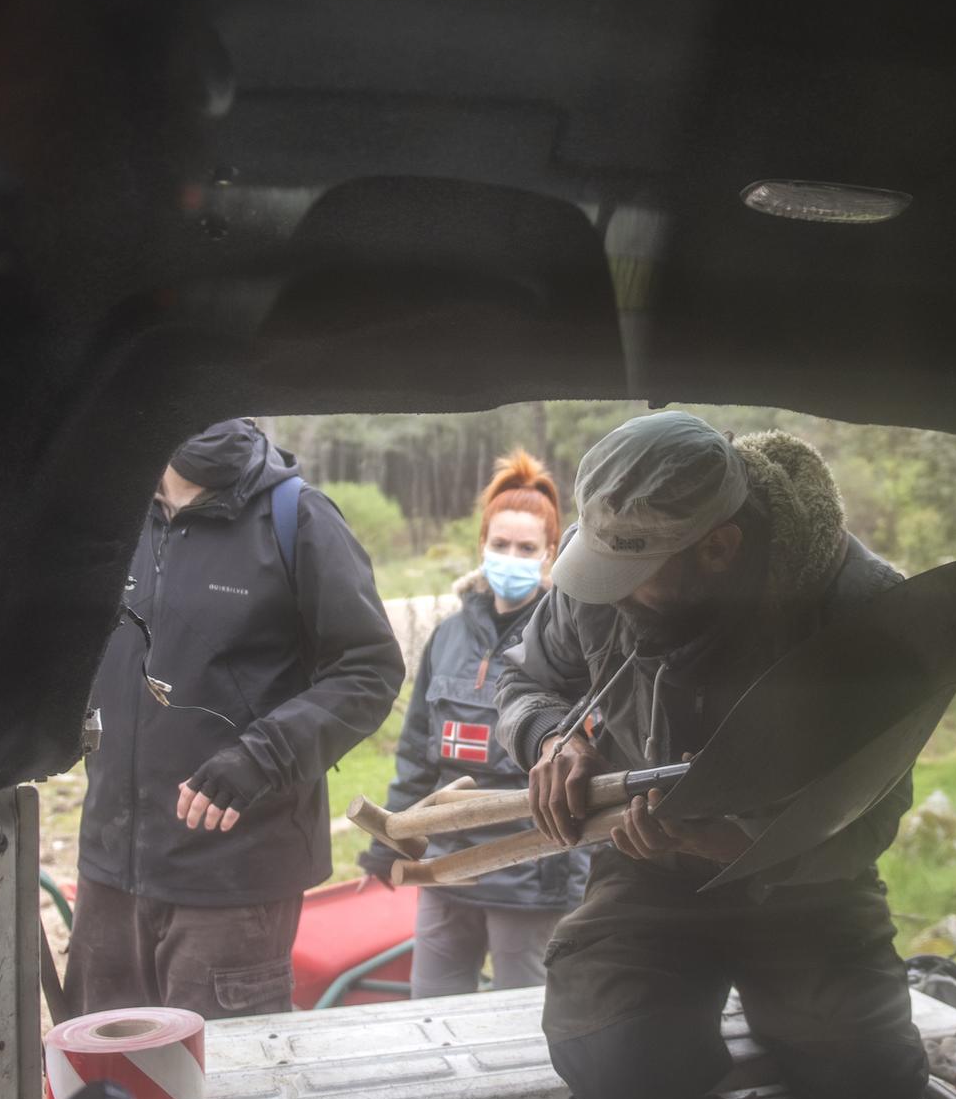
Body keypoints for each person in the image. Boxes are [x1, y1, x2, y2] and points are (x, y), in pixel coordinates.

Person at [493, 411, 927, 1099]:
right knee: (623, 1069)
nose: (611, 595)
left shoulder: (861, 612)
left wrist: (741, 843)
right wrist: (551, 737)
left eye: (633, 580)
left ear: (719, 547)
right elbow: (524, 679)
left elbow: (875, 816)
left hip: (805, 886)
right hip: (647, 869)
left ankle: (789, 1012)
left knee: (872, 1090)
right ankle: (694, 1022)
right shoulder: (601, 569)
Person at [69, 417, 405, 1018]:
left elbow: (369, 671)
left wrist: (262, 757)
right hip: (109, 875)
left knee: (223, 1075)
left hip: (235, 881)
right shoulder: (114, 515)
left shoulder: (297, 517)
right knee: (103, 1073)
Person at [359, 450, 587, 996]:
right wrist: (389, 839)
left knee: (520, 1018)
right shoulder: (448, 637)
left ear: (550, 554)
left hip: (533, 873)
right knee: (430, 1008)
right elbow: (417, 753)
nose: (511, 557)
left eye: (526, 548)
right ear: (482, 544)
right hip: (447, 868)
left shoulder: (568, 642)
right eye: (500, 544)